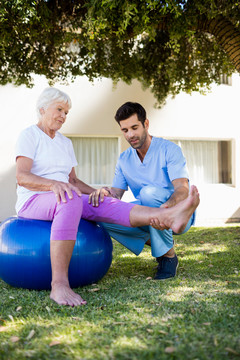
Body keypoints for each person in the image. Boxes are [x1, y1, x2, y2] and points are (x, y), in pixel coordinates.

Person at [15, 89, 199, 307]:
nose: (64, 116)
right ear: (42, 109)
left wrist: (95, 192)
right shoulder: (29, 135)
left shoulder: (64, 142)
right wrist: (54, 184)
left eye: (66, 112)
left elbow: (73, 182)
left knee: (101, 201)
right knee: (71, 199)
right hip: (35, 199)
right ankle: (59, 285)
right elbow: (22, 176)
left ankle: (169, 218)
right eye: (59, 110)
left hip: (65, 196)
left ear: (145, 124)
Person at [89, 102, 197, 280]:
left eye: (134, 127)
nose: (130, 135)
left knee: (148, 194)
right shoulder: (124, 159)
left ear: (145, 124)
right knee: (104, 214)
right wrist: (106, 193)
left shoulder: (169, 149)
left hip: (178, 214)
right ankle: (166, 250)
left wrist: (164, 208)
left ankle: (167, 258)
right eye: (125, 130)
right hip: (149, 215)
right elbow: (116, 195)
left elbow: (182, 189)